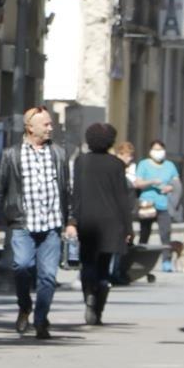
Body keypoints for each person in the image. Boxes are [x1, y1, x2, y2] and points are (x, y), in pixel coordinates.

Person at [0, 107, 74, 340]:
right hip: (22, 224)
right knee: (21, 267)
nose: (50, 128)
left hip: (52, 225)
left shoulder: (59, 154)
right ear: (30, 127)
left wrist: (71, 220)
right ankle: (25, 306)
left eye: (50, 124)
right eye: (46, 124)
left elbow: (67, 190)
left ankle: (41, 319)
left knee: (48, 277)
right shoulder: (11, 155)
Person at [71, 124, 134, 325]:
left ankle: (89, 295)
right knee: (104, 267)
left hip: (87, 220)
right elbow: (123, 198)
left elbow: (76, 194)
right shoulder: (116, 164)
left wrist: (72, 220)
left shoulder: (81, 162)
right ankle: (98, 309)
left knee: (87, 262)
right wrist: (128, 227)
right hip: (112, 222)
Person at [135, 140, 179, 273]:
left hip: (163, 204)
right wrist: (152, 181)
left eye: (160, 150)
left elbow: (176, 183)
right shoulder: (143, 164)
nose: (158, 152)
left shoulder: (170, 165)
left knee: (165, 234)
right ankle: (140, 261)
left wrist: (170, 187)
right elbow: (138, 183)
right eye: (155, 149)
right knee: (144, 233)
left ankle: (166, 260)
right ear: (150, 151)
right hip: (147, 204)